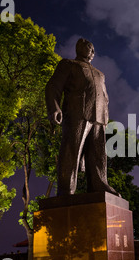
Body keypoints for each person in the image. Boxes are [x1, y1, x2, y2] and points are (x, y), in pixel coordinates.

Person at [45, 38, 118, 196]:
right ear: (79, 48)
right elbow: (53, 86)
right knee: (72, 150)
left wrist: (105, 117)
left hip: (98, 117)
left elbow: (105, 97)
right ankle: (66, 189)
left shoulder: (100, 74)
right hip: (77, 114)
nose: (92, 52)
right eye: (89, 48)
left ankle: (99, 183)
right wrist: (54, 108)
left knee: (98, 154)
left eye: (93, 50)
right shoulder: (69, 65)